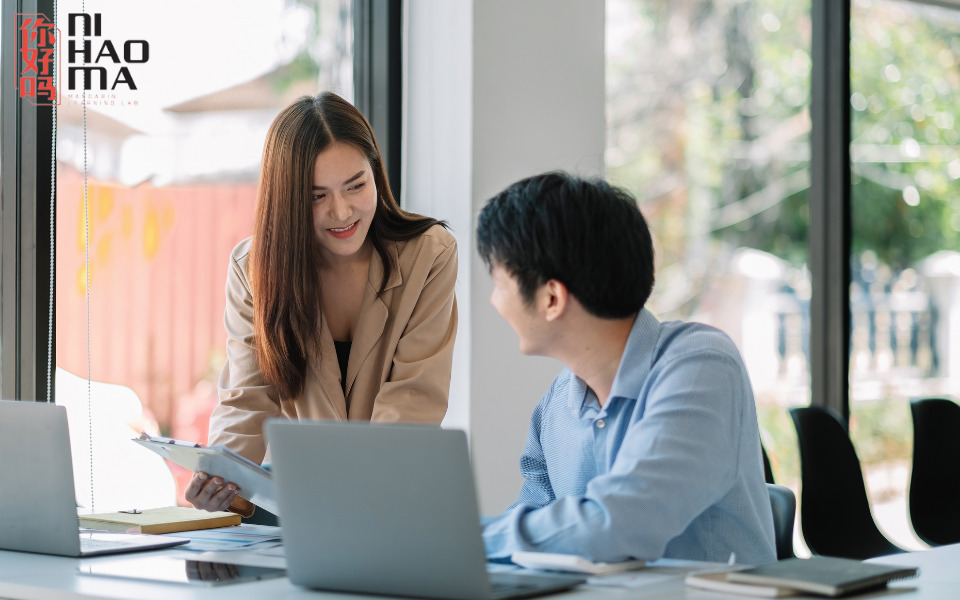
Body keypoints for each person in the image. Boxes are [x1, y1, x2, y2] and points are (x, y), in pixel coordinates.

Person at [475, 172, 776, 565]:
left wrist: (464, 539)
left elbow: (622, 523)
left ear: (552, 297)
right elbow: (531, 534)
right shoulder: (554, 407)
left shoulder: (702, 365)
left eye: (499, 283)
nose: (495, 302)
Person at [186, 92, 458, 516]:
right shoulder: (253, 269)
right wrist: (222, 483)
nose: (342, 211)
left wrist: (359, 493)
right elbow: (247, 399)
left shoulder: (429, 254)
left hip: (396, 498)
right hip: (303, 503)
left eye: (356, 185)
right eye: (317, 196)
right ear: (287, 199)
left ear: (376, 173)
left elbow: (413, 400)